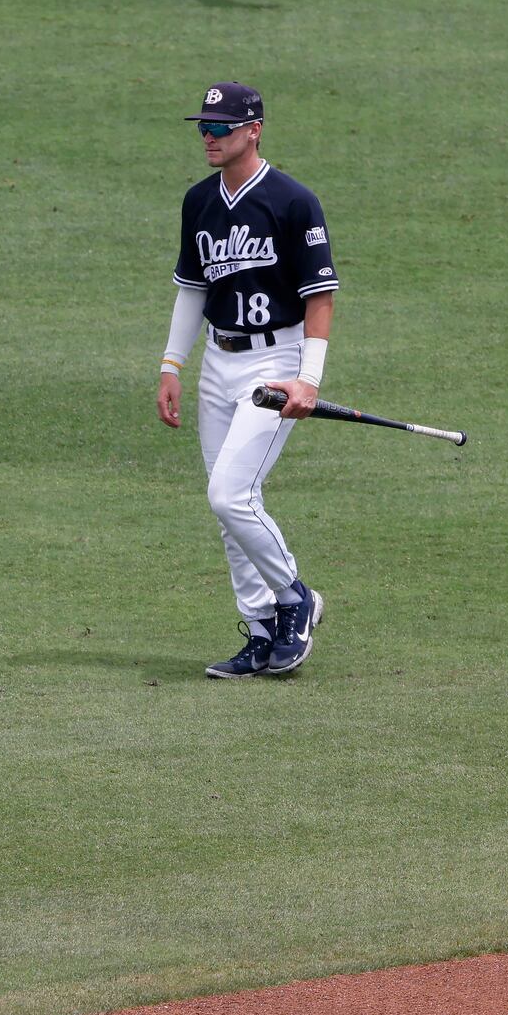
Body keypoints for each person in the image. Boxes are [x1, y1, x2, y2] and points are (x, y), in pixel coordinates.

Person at [158, 82, 337, 678]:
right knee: (230, 508)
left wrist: (307, 380)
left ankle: (295, 598)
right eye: (204, 127)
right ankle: (261, 628)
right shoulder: (198, 201)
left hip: (274, 362)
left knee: (230, 495)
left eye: (222, 127)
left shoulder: (293, 201)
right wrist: (170, 365)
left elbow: (320, 296)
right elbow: (193, 287)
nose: (209, 137)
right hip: (218, 361)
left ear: (254, 129)